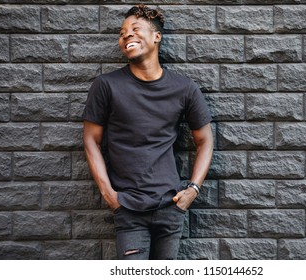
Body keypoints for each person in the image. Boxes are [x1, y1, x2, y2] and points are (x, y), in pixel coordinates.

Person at [82, 4, 213, 260]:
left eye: (135, 29)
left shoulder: (184, 88)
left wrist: (192, 190)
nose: (127, 35)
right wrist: (109, 195)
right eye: (122, 32)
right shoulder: (106, 85)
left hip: (171, 207)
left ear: (157, 36)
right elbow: (90, 141)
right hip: (128, 209)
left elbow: (205, 140)